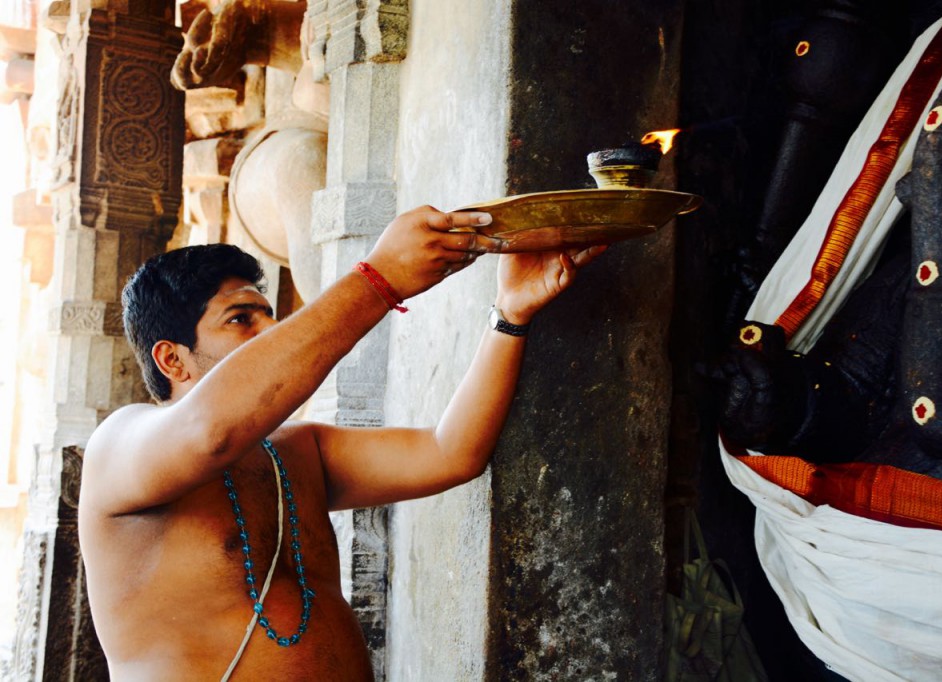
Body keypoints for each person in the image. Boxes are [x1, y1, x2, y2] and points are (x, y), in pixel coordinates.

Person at [78, 205, 605, 680]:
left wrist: (509, 315)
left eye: (269, 314)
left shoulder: (299, 451)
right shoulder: (118, 445)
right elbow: (208, 433)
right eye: (240, 319)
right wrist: (378, 281)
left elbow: (453, 453)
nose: (269, 330)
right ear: (172, 360)